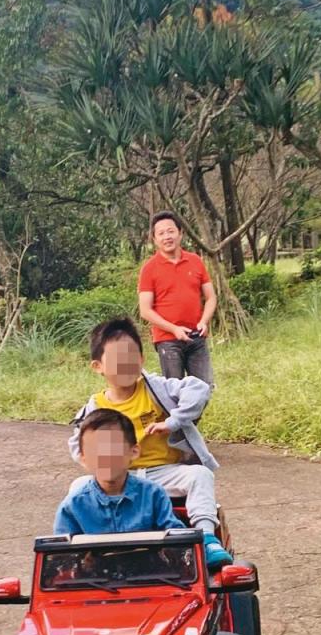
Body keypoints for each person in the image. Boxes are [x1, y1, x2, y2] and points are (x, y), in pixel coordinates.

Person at [67, 316, 231, 567]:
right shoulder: (95, 405)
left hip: (164, 473)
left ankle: (207, 539)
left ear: (142, 360)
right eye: (117, 359)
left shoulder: (157, 388)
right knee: (79, 486)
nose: (125, 364)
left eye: (131, 357)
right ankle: (80, 545)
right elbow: (77, 443)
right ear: (98, 366)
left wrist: (173, 421)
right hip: (121, 478)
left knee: (199, 475)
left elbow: (199, 389)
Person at [56, 407, 232, 569]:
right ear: (83, 458)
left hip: (152, 578)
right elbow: (61, 559)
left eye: (113, 448)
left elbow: (177, 540)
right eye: (95, 450)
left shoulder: (154, 494)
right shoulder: (73, 504)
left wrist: (177, 553)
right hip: (95, 584)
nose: (105, 457)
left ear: (133, 452)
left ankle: (209, 543)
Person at [138, 210, 217, 385]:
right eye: (161, 233)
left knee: (203, 389)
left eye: (171, 231)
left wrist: (204, 321)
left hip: (196, 336)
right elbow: (145, 310)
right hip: (168, 340)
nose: (167, 236)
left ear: (180, 233)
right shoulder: (149, 269)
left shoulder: (195, 261)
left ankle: (196, 414)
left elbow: (211, 297)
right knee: (174, 392)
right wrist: (174, 329)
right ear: (154, 239)